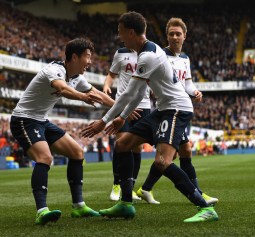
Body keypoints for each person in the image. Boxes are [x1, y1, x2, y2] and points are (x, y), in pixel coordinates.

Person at [81, 12, 219, 222]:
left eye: (121, 33)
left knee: (163, 161)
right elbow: (137, 94)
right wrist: (122, 117)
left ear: (131, 32)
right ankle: (126, 203)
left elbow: (128, 94)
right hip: (163, 109)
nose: (120, 38)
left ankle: (204, 208)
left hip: (176, 109)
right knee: (124, 143)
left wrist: (104, 121)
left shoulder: (148, 56)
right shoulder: (148, 51)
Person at [10, 38, 115, 225]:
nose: (90, 62)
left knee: (77, 152)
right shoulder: (54, 70)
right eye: (87, 57)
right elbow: (62, 88)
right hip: (24, 120)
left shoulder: (77, 78)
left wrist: (122, 107)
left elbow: (98, 94)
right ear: (74, 57)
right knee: (45, 158)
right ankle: (41, 211)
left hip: (41, 120)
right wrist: (82, 97)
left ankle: (79, 206)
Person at [136, 17, 219, 205]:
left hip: (180, 108)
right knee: (175, 154)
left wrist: (195, 91)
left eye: (178, 34)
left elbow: (187, 84)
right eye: (171, 34)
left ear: (184, 36)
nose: (174, 37)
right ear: (167, 36)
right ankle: (197, 193)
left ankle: (145, 189)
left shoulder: (185, 59)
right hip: (167, 109)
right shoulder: (159, 56)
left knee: (179, 152)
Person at [103, 46, 151, 202]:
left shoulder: (150, 52)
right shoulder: (121, 52)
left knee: (137, 147)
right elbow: (111, 74)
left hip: (143, 106)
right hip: (122, 103)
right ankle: (117, 184)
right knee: (121, 141)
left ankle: (129, 188)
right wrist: (106, 85)